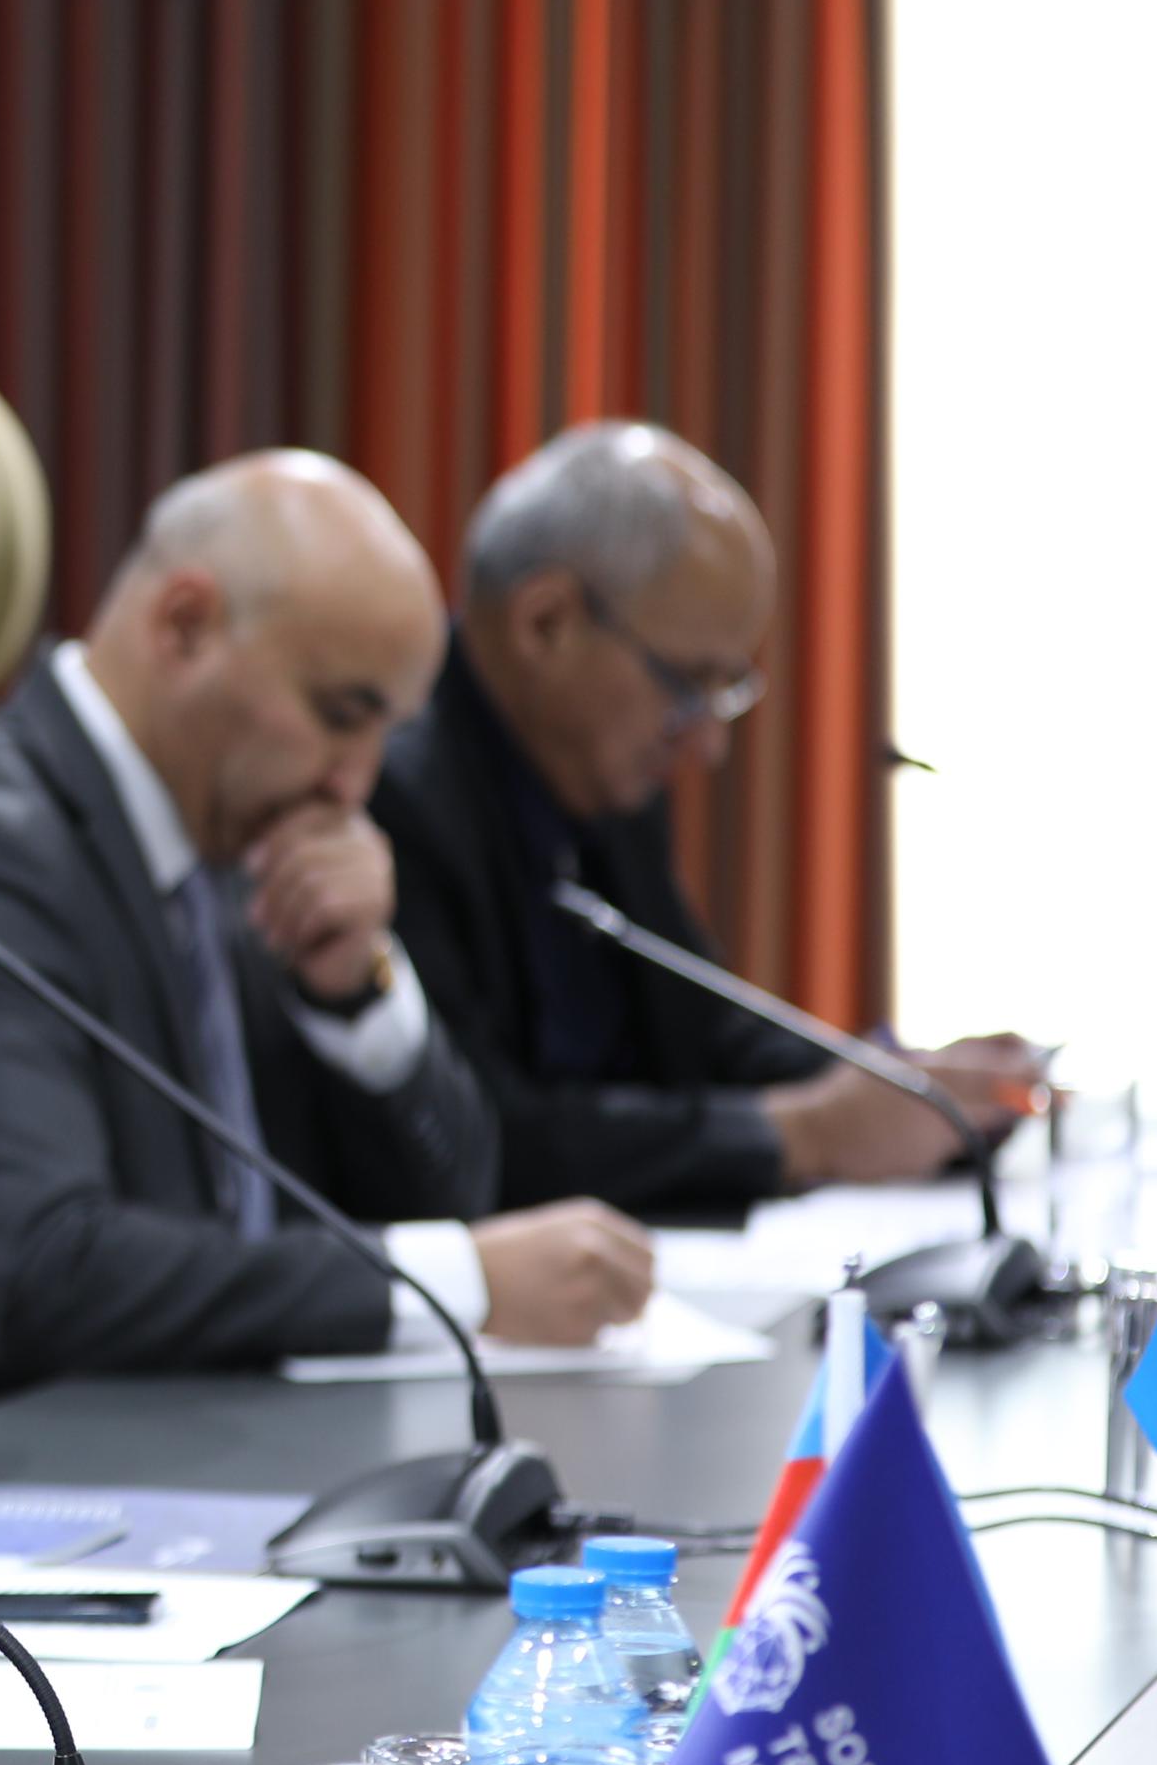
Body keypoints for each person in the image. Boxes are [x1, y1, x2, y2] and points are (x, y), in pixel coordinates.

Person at [0, 452, 656, 1393]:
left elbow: (457, 1193)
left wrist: (354, 997)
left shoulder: (231, 832)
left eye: (385, 733)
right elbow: (47, 1274)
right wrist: (457, 1282)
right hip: (1, 1460)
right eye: (339, 715)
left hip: (222, 1429)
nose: (355, 783)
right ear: (185, 627)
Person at [370, 422, 1040, 1215]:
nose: (709, 744)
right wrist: (806, 1133)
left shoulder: (598, 770)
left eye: (728, 692)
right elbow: (480, 1139)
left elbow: (702, 1033)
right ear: (545, 623)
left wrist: (899, 1087)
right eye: (688, 684)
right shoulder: (386, 796)